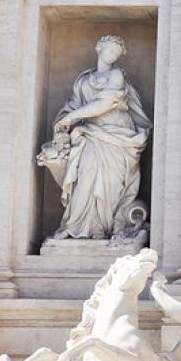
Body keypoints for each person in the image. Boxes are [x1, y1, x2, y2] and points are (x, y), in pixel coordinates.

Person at [40, 35, 151, 241]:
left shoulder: (117, 75)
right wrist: (64, 120)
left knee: (110, 184)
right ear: (99, 48)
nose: (112, 55)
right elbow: (72, 105)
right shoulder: (83, 80)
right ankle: (76, 225)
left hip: (117, 138)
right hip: (90, 136)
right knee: (86, 176)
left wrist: (73, 117)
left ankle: (102, 228)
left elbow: (105, 103)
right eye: (110, 50)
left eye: (116, 53)